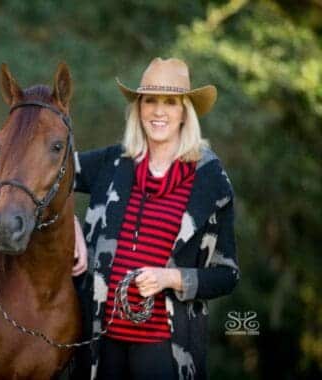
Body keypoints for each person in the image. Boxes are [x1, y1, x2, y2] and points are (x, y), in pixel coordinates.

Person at [72, 57, 239, 379]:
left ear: (184, 113)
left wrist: (170, 278)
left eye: (170, 103)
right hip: (100, 342)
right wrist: (73, 229)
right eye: (150, 100)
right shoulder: (112, 162)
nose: (158, 111)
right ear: (138, 108)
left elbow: (227, 275)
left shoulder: (211, 181)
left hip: (166, 348)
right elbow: (46, 175)